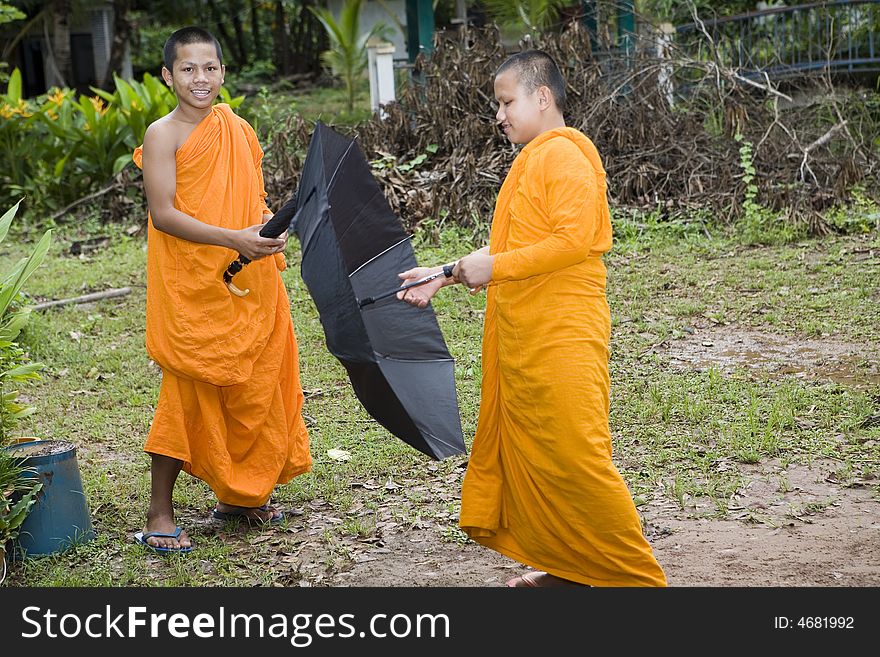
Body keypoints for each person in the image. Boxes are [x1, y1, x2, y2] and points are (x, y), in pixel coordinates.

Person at [398, 50, 666, 586]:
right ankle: (571, 570)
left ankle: (638, 581)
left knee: (575, 456)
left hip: (562, 332)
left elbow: (572, 242)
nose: (499, 115)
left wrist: (486, 266)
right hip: (526, 333)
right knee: (542, 455)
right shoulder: (534, 159)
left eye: (506, 102)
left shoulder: (564, 156)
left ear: (542, 98)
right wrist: (448, 272)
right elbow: (521, 248)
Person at [131, 27, 311, 553]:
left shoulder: (237, 128)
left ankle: (241, 495)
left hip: (247, 277)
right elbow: (163, 214)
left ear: (223, 73)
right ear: (168, 76)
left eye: (209, 68)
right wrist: (233, 237)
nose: (200, 79)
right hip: (193, 285)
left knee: (255, 384)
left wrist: (263, 227)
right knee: (188, 391)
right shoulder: (163, 134)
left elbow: (251, 199)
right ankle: (159, 514)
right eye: (188, 69)